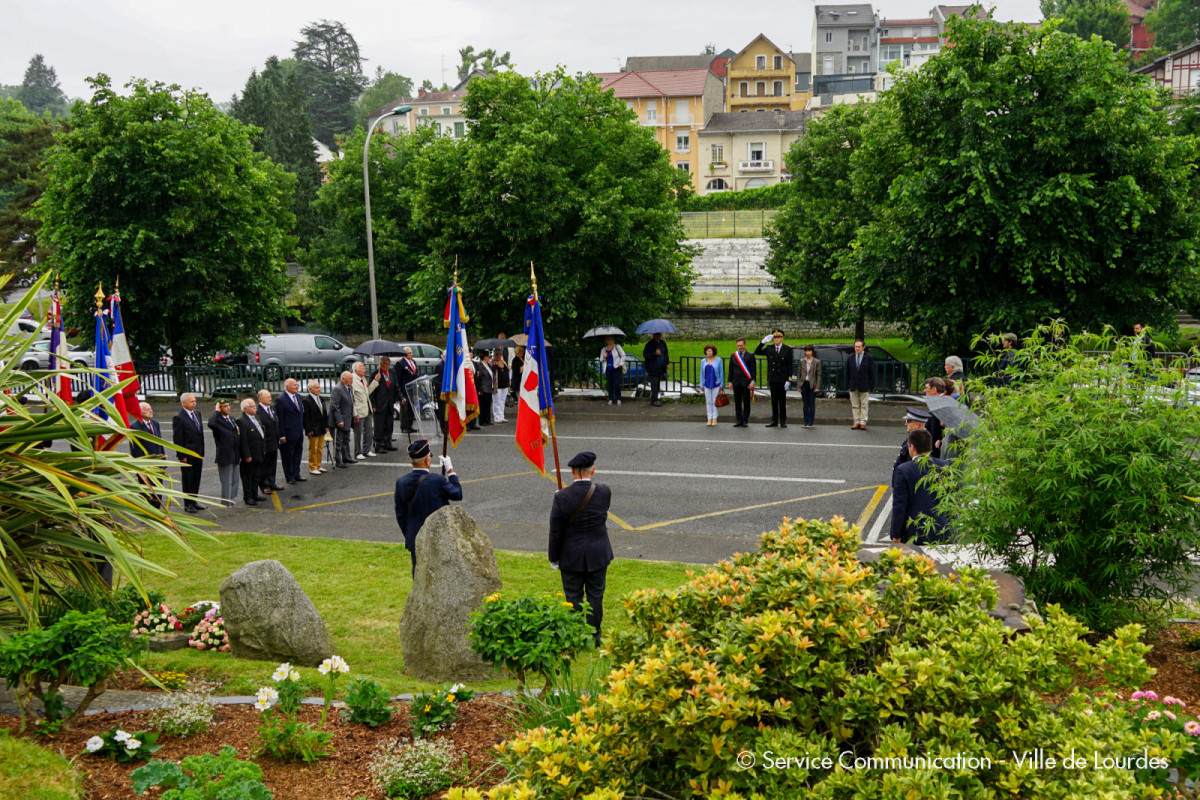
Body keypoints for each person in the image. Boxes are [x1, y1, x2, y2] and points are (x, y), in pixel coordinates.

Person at [549, 451, 613, 647]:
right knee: (595, 595)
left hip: (571, 555)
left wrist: (553, 557)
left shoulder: (561, 497)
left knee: (573, 596)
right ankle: (594, 636)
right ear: (592, 470)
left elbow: (555, 531)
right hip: (598, 553)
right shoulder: (604, 491)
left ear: (572, 472)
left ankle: (576, 635)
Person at [394, 439, 463, 576]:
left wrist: (409, 534)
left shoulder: (401, 482)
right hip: (438, 537)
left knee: (419, 576)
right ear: (427, 460)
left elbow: (400, 515)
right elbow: (457, 493)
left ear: (410, 458)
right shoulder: (437, 480)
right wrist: (450, 471)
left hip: (415, 537)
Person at [890, 428, 950, 545]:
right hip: (942, 530)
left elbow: (899, 506)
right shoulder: (944, 466)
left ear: (912, 447)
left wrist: (896, 535)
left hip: (915, 533)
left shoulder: (903, 470)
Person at [171, 393, 205, 513]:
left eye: (195, 401)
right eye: (191, 401)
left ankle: (194, 500)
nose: (194, 403)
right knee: (188, 479)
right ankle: (188, 503)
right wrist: (182, 456)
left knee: (196, 477)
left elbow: (200, 434)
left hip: (198, 452)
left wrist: (202, 451)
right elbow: (178, 438)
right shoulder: (179, 417)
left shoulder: (197, 414)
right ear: (183, 403)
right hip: (187, 453)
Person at [754, 329, 793, 428]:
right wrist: (762, 342)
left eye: (778, 337)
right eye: (774, 337)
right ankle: (774, 420)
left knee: (782, 401)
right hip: (773, 378)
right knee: (774, 401)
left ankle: (783, 421)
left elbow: (790, 365)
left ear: (782, 338)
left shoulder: (787, 349)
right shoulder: (769, 348)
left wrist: (789, 379)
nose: (776, 339)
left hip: (782, 379)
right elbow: (757, 352)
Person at [130, 402, 165, 508]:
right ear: (139, 412)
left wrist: (163, 458)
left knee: (158, 487)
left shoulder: (155, 423)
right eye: (147, 409)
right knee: (147, 489)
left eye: (150, 408)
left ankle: (158, 509)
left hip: (158, 463)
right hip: (146, 464)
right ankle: (149, 510)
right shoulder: (135, 426)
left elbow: (159, 442)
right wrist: (140, 466)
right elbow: (135, 449)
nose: (150, 411)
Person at [207, 399, 241, 507]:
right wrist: (216, 412)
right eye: (225, 406)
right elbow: (211, 424)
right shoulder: (217, 420)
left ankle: (232, 499)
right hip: (225, 455)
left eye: (228, 405)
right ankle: (226, 502)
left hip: (235, 453)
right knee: (227, 481)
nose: (228, 408)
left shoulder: (231, 419)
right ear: (219, 408)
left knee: (235, 479)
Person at [236, 398, 269, 507]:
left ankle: (255, 494)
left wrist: (263, 449)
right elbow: (243, 441)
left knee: (256, 475)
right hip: (250, 454)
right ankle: (248, 496)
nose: (255, 408)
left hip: (258, 452)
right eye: (252, 406)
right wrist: (247, 455)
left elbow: (261, 434)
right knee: (247, 476)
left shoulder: (256, 417)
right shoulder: (241, 421)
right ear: (245, 409)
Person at [275, 378, 307, 484]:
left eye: (296, 385)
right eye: (294, 385)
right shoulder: (281, 400)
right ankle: (289, 476)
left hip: (298, 432)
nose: (296, 387)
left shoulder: (298, 397)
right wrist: (282, 435)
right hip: (288, 434)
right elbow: (280, 419)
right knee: (288, 456)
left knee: (297, 454)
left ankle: (296, 473)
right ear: (287, 387)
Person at [256, 389, 283, 494]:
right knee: (264, 466)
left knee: (272, 464)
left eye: (270, 397)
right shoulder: (258, 411)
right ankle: (264, 485)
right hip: (265, 443)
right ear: (260, 399)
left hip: (273, 441)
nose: (270, 399)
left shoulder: (271, 408)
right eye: (267, 397)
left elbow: (276, 423)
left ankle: (272, 483)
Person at [845, 339, 875, 431]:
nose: (857, 348)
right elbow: (847, 372)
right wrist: (848, 385)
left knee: (864, 404)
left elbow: (872, 373)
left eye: (859, 347)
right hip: (853, 385)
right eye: (856, 347)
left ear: (863, 347)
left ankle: (863, 422)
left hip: (864, 384)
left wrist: (871, 386)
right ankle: (856, 422)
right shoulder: (850, 357)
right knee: (855, 405)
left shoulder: (869, 358)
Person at [892, 406, 931, 478]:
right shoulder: (922, 438)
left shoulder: (918, 441)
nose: (905, 424)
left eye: (908, 421)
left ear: (917, 425)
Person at [727, 337, 756, 428]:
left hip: (746, 383)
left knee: (746, 402)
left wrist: (752, 381)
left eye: (741, 345)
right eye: (738, 345)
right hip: (736, 382)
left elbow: (753, 370)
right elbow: (731, 369)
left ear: (745, 345)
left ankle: (745, 420)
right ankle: (738, 419)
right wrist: (729, 381)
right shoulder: (733, 355)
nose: (740, 347)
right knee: (737, 401)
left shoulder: (750, 355)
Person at [330, 371, 356, 468]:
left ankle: (347, 457)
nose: (352, 381)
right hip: (340, 420)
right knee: (339, 441)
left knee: (346, 439)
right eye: (350, 379)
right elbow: (334, 406)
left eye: (352, 379)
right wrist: (339, 420)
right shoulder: (338, 389)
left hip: (348, 418)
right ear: (343, 379)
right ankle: (338, 460)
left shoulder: (349, 388)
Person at [302, 380, 328, 475]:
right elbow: (306, 417)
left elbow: (324, 412)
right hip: (313, 428)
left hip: (321, 427)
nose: (319, 389)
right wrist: (308, 429)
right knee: (313, 448)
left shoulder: (320, 398)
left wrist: (326, 425)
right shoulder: (306, 401)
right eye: (316, 388)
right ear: (310, 389)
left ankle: (318, 465)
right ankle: (312, 467)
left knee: (320, 447)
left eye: (319, 387)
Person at [371, 357, 396, 452]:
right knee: (379, 426)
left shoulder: (392, 373)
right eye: (385, 364)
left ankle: (388, 443)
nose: (388, 366)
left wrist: (400, 397)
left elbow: (395, 386)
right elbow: (371, 391)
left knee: (389, 425)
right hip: (379, 404)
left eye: (389, 364)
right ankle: (379, 445)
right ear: (381, 365)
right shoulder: (375, 374)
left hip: (389, 403)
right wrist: (373, 404)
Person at [352, 362, 376, 458]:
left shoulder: (363, 379)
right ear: (356, 370)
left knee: (369, 430)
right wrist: (355, 413)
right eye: (362, 368)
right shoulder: (352, 380)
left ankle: (367, 449)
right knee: (358, 433)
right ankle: (358, 452)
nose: (365, 370)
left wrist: (375, 382)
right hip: (359, 410)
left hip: (367, 408)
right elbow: (352, 399)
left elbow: (367, 392)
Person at [394, 348, 420, 433]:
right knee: (405, 408)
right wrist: (400, 392)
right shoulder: (400, 363)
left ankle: (410, 425)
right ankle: (404, 426)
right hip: (405, 389)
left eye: (412, 353)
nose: (411, 354)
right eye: (409, 353)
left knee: (411, 408)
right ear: (405, 354)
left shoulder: (413, 362)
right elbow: (398, 378)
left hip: (413, 388)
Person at [797, 345, 821, 429]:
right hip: (804, 383)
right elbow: (799, 373)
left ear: (812, 352)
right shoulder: (802, 361)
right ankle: (805, 421)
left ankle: (810, 422)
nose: (807, 353)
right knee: (805, 403)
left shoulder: (816, 362)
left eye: (809, 351)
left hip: (812, 384)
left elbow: (818, 375)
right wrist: (799, 385)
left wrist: (817, 386)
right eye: (806, 351)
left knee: (811, 403)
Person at [922, 377, 947, 458]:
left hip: (937, 450)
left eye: (926, 388)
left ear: (934, 389)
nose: (924, 390)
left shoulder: (941, 404)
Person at [700, 344, 724, 427]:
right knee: (708, 401)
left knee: (714, 401)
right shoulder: (703, 361)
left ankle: (714, 418)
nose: (708, 352)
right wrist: (701, 384)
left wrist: (721, 384)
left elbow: (721, 372)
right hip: (707, 384)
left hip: (716, 383)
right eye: (707, 351)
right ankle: (709, 418)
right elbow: (701, 373)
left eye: (710, 351)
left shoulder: (718, 360)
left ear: (713, 352)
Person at [643, 333, 669, 407]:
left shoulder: (663, 343)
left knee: (657, 384)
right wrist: (655, 353)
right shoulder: (649, 344)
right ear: (653, 335)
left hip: (661, 368)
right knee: (654, 383)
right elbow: (646, 355)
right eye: (656, 334)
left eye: (659, 334)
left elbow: (666, 354)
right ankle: (654, 400)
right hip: (652, 368)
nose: (658, 336)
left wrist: (667, 363)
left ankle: (656, 398)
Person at [600, 336, 625, 406]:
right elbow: (601, 360)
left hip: (616, 367)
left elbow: (623, 355)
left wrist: (620, 364)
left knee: (617, 383)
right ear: (606, 341)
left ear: (613, 340)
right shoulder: (603, 349)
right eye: (608, 340)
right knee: (610, 384)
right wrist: (604, 357)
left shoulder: (617, 347)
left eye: (611, 339)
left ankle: (618, 399)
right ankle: (610, 398)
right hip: (608, 369)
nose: (609, 341)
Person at [474, 352, 494, 426]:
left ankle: (487, 419)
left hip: (489, 387)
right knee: (483, 405)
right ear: (485, 357)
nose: (489, 357)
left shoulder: (488, 365)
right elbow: (478, 378)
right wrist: (480, 389)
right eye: (488, 356)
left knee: (488, 404)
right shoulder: (480, 366)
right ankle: (482, 420)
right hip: (483, 388)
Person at [492, 350, 509, 423]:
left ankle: (501, 416)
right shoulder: (492, 363)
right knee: (497, 401)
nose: (498, 356)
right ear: (494, 355)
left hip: (505, 385)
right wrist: (495, 366)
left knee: (502, 401)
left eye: (499, 354)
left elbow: (507, 371)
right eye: (497, 354)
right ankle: (496, 417)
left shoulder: (504, 362)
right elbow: (492, 373)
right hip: (497, 385)